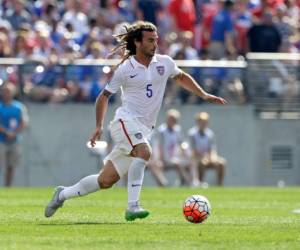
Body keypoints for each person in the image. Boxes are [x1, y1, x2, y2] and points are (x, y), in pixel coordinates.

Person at [44, 21, 226, 221]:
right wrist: (98, 126)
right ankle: (133, 206)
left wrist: (204, 94)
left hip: (143, 129)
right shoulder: (125, 68)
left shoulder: (164, 63)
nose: (155, 44)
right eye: (150, 40)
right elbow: (104, 96)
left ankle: (62, 194)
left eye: (156, 40)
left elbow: (181, 77)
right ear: (138, 42)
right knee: (144, 151)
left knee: (105, 180)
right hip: (124, 122)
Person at [148, 109, 190, 186]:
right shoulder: (162, 130)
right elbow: (159, 145)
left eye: (174, 120)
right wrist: (160, 159)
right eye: (170, 119)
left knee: (187, 163)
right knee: (155, 166)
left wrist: (185, 154)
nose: (172, 121)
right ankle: (164, 184)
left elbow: (182, 143)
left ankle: (185, 182)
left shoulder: (178, 130)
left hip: (174, 157)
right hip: (164, 158)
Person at [0, 82, 28, 186]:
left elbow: (24, 122)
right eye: (4, 91)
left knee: (11, 166)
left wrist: (14, 133)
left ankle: (8, 187)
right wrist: (6, 132)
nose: (6, 94)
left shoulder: (19, 107)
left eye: (8, 91)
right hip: (1, 140)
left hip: (14, 140)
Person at [188, 112, 226, 186]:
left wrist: (213, 158)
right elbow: (193, 149)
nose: (203, 124)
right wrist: (204, 157)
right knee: (202, 163)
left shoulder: (210, 133)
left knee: (221, 163)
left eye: (205, 122)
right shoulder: (192, 133)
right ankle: (200, 183)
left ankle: (220, 185)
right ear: (197, 122)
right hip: (196, 158)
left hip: (208, 157)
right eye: (201, 121)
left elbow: (212, 148)